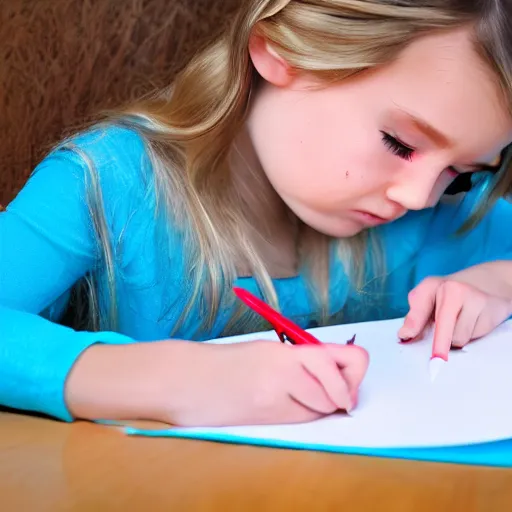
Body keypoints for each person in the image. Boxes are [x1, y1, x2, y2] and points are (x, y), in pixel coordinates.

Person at [2, 0, 512, 427]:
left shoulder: (435, 216)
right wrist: (180, 380)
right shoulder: (108, 181)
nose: (420, 197)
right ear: (284, 51)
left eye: (463, 173)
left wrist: (499, 283)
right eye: (399, 144)